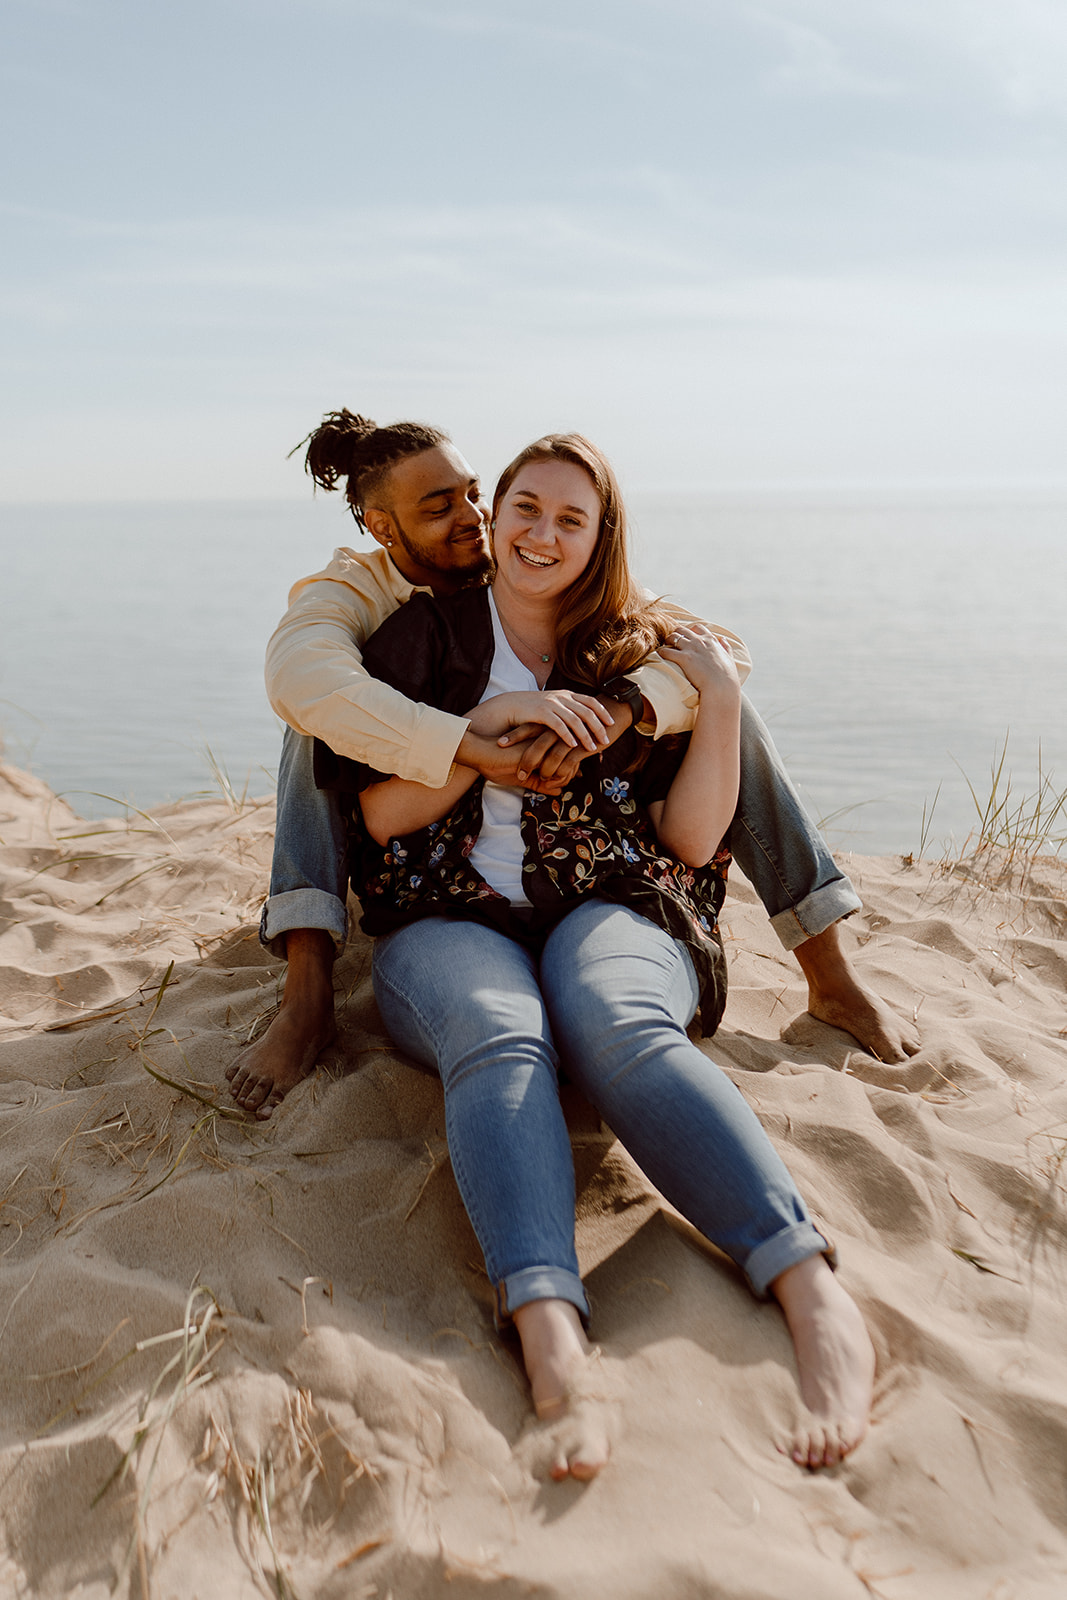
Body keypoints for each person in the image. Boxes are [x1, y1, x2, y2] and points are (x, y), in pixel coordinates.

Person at [343, 432, 875, 1480]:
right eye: (524, 508)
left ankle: (811, 1290)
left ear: (600, 538)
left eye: (569, 518)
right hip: (445, 916)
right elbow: (379, 816)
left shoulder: (640, 654)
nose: (541, 534)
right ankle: (553, 1343)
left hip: (616, 903)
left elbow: (688, 839)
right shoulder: (421, 642)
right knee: (497, 1029)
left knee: (612, 1016)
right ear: (494, 516)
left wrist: (720, 701)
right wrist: (485, 731)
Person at [225, 411, 918, 1121]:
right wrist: (471, 741)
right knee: (311, 723)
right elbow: (300, 677)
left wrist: (624, 706)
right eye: (438, 508)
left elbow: (718, 648)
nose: (471, 518)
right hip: (413, 836)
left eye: (473, 493)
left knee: (726, 704)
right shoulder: (357, 590)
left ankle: (828, 972)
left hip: (557, 835)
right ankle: (306, 991)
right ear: (383, 527)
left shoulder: (519, 550)